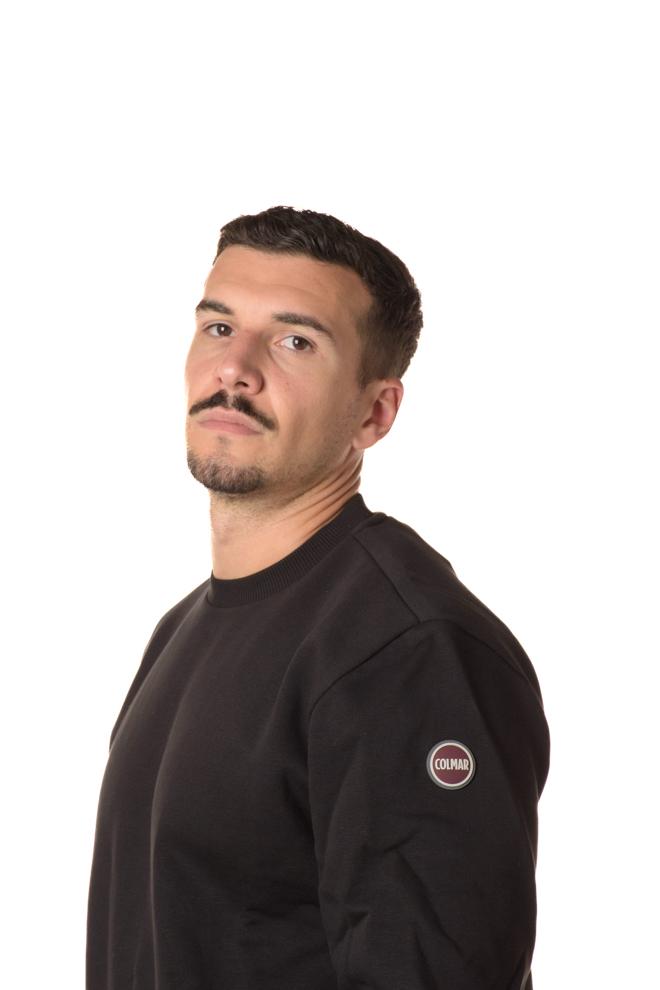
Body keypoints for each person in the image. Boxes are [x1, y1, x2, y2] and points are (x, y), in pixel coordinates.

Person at [86, 205, 550, 989]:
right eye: (219, 327)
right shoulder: (182, 629)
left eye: (295, 342)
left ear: (374, 413)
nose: (236, 369)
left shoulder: (406, 649)